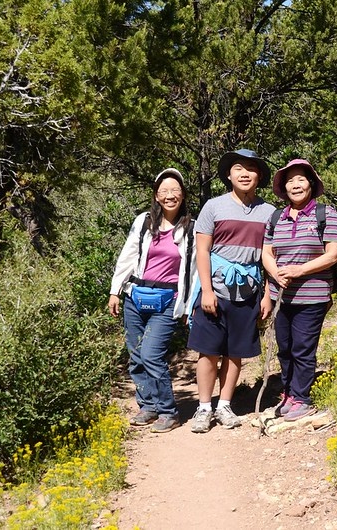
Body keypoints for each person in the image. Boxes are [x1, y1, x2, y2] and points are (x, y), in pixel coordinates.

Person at [186, 148, 276, 433]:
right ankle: (204, 408)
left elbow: (268, 256)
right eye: (239, 168)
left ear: (259, 176)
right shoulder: (213, 207)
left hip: (248, 291)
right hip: (215, 288)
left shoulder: (269, 212)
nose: (244, 174)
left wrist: (267, 295)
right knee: (208, 351)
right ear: (228, 175)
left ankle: (224, 405)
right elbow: (202, 250)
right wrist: (207, 290)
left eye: (251, 168)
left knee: (235, 352)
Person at [108, 168, 196, 433]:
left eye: (175, 190)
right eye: (164, 191)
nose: (170, 196)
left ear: (183, 195)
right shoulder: (144, 222)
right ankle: (148, 406)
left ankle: (168, 411)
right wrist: (115, 290)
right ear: (156, 195)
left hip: (168, 300)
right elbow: (127, 255)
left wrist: (188, 306)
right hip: (135, 296)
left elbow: (193, 270)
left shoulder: (191, 228)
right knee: (136, 356)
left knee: (151, 354)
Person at [262, 159, 337, 421]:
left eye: (300, 179)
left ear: (311, 184)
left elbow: (334, 254)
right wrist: (276, 273)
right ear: (284, 188)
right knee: (284, 348)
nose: (295, 184)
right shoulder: (276, 217)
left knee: (303, 348)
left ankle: (302, 398)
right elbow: (266, 253)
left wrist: (299, 271)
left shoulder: (325, 214)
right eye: (290, 180)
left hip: (313, 296)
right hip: (281, 296)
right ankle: (288, 392)